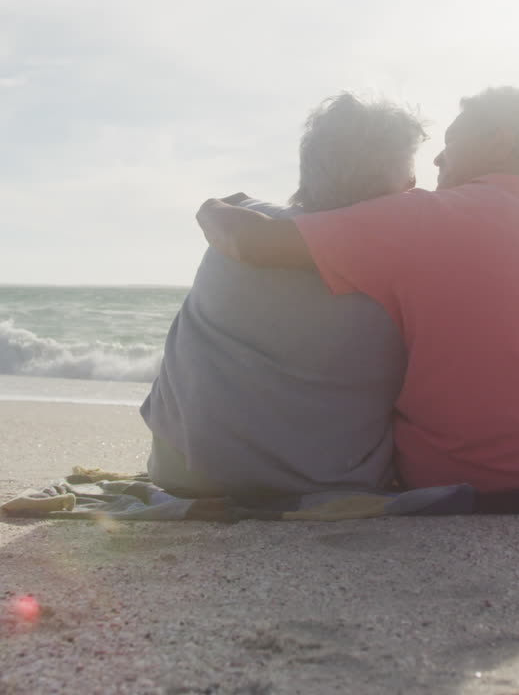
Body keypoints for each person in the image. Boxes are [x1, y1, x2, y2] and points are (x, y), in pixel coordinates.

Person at [197, 86, 519, 494]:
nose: (437, 158)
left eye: (451, 141)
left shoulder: (424, 217)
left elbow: (251, 242)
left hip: (457, 472)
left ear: (500, 141)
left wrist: (214, 205)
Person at [142, 93, 426, 497]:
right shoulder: (401, 263)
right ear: (404, 188)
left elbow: (226, 203)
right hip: (331, 483)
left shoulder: (240, 223)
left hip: (183, 473)